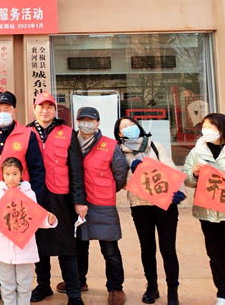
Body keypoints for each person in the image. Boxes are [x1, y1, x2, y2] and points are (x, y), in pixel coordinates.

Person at [0, 91, 46, 305]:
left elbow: (37, 169)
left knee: (21, 243)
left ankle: (22, 291)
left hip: (19, 201)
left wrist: (33, 202)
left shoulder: (27, 134)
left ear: (14, 111)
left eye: (7, 109)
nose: (2, 112)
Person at [115, 116, 185, 305]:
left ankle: (173, 291)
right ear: (119, 134)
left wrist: (179, 191)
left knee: (168, 249)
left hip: (165, 205)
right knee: (147, 248)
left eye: (131, 124)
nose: (129, 128)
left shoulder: (155, 146)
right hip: (140, 206)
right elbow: (120, 182)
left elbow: (170, 168)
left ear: (138, 127)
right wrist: (133, 172)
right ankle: (151, 286)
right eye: (124, 127)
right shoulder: (119, 152)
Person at [27, 92, 86, 305]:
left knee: (66, 246)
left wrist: (79, 200)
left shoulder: (68, 133)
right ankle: (43, 285)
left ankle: (74, 293)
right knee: (38, 244)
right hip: (34, 197)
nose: (45, 111)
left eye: (49, 107)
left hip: (61, 197)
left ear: (55, 110)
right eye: (41, 107)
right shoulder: (25, 132)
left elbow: (76, 169)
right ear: (34, 109)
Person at [65, 107, 128, 305]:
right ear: (77, 122)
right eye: (82, 120)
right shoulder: (70, 143)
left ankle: (116, 288)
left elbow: (120, 174)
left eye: (90, 120)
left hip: (102, 204)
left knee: (110, 250)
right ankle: (79, 281)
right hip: (77, 203)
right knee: (79, 247)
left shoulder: (110, 145)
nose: (86, 124)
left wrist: (106, 190)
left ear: (98, 123)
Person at [0, 158, 57, 305]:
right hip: (3, 248)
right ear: (2, 174)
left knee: (24, 282)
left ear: (21, 174)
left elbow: (34, 218)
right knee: (6, 283)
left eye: (15, 174)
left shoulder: (29, 193)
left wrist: (48, 221)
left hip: (24, 248)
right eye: (7, 174)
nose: (11, 178)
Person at [183, 113, 225, 305]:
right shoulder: (197, 151)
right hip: (207, 212)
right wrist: (194, 173)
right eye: (204, 126)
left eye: (211, 126)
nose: (206, 130)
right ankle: (222, 294)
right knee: (215, 255)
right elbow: (187, 181)